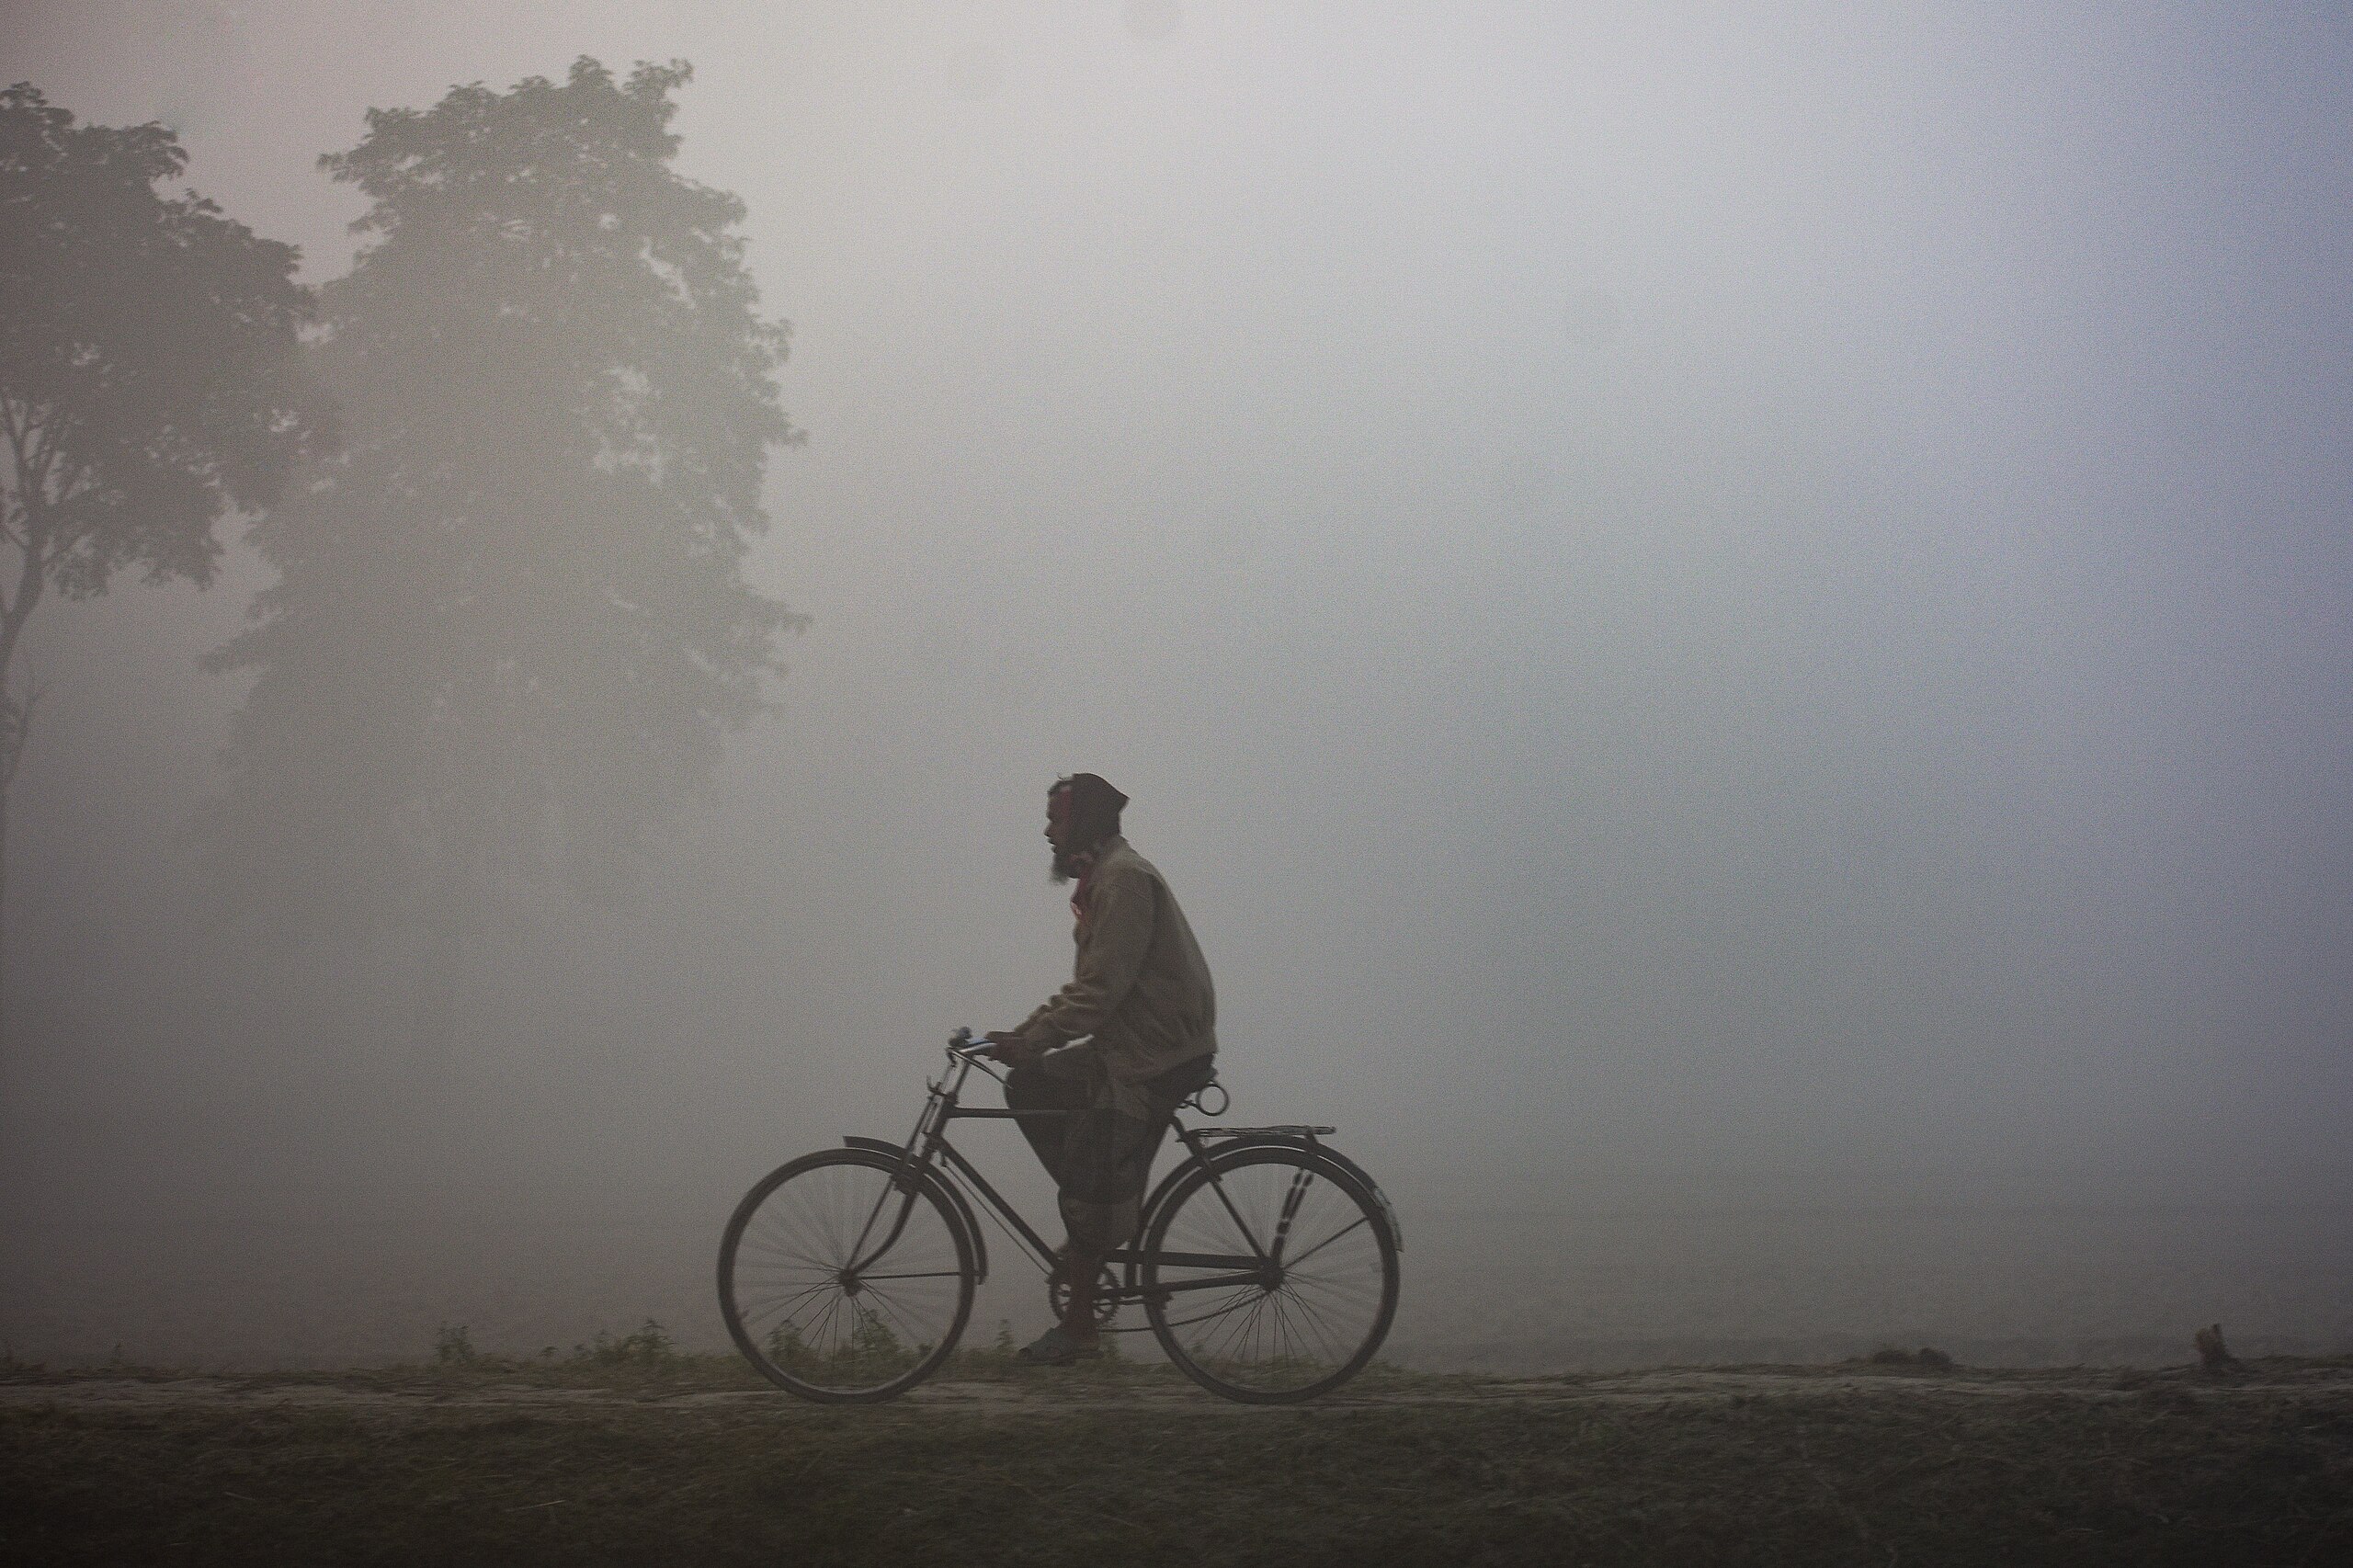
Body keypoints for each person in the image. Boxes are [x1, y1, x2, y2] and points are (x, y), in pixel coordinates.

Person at [986, 773, 1218, 1365]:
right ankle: (1094, 1219)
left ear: (1082, 825)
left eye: (1055, 821)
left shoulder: (1124, 881)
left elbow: (1099, 994)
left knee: (1090, 1166)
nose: (1046, 831)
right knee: (1031, 1083)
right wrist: (1026, 1040)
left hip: (1154, 1055)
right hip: (1134, 1044)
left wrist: (1033, 1036)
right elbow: (1088, 990)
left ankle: (1082, 1321)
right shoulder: (1104, 881)